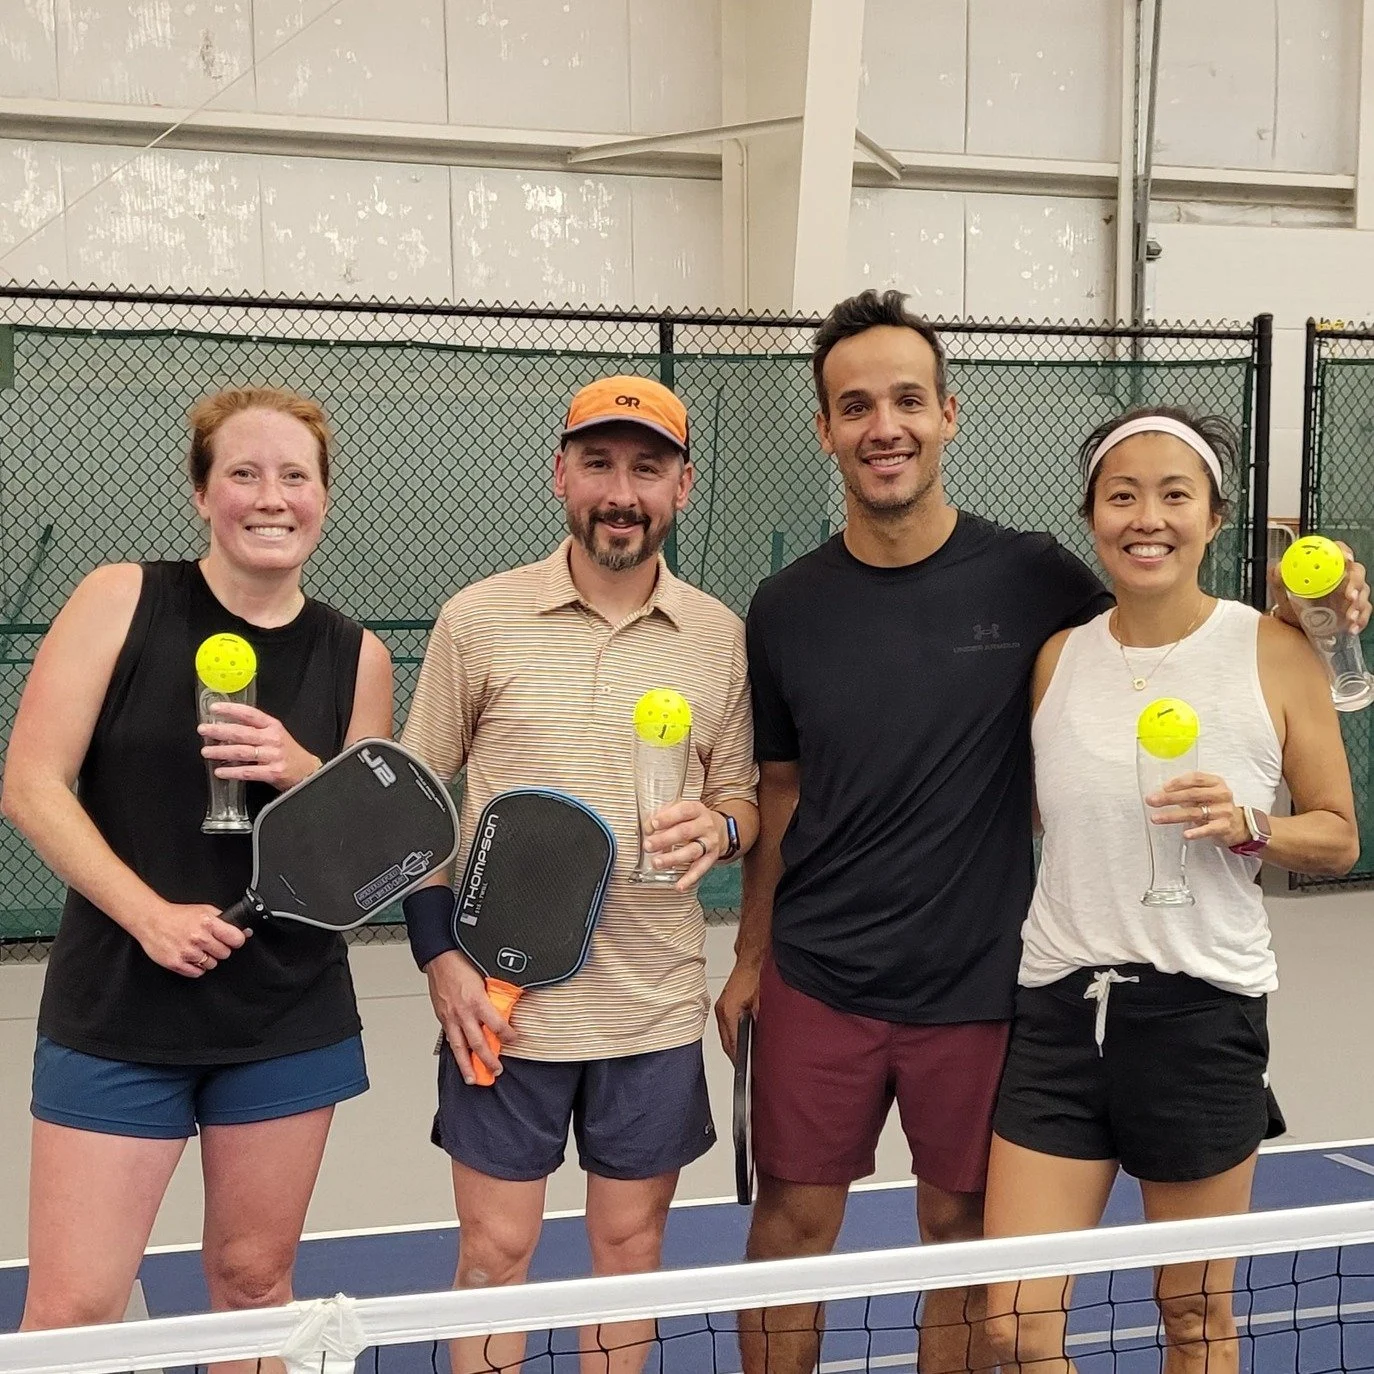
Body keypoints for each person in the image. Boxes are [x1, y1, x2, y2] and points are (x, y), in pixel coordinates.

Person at [716, 289, 1114, 1374]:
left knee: (959, 1236)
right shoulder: (786, 605)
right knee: (792, 1236)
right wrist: (751, 955)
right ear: (825, 431)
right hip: (819, 977)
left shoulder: (1038, 578)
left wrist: (1304, 621)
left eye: (904, 400)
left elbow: (1165, 644)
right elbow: (783, 793)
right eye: (854, 406)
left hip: (981, 984)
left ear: (949, 412)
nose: (881, 425)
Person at [1, 387, 393, 1372]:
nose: (272, 497)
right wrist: (148, 917)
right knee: (73, 1310)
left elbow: (366, 858)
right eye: (244, 474)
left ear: (324, 498)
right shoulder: (120, 599)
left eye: (295, 476)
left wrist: (305, 771)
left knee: (256, 1295)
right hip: (121, 1009)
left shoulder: (360, 656)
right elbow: (32, 785)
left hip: (283, 1017)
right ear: (201, 493)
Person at [981, 408, 1360, 1374]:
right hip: (1059, 1018)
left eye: (1175, 494)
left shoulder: (1275, 652)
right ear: (1091, 516)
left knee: (1194, 1321)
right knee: (1014, 1327)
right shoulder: (1056, 660)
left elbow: (1337, 835)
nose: (1147, 517)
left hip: (1201, 1021)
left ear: (1216, 519)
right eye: (1122, 495)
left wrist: (1254, 825)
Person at [399, 374, 759, 1374]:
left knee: (630, 1252)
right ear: (560, 473)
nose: (621, 491)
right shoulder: (479, 619)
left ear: (682, 488)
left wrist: (723, 829)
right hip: (502, 1008)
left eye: (648, 469)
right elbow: (416, 802)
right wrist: (440, 961)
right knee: (494, 1254)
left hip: (651, 1009)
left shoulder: (720, 640)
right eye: (598, 463)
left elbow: (745, 800)